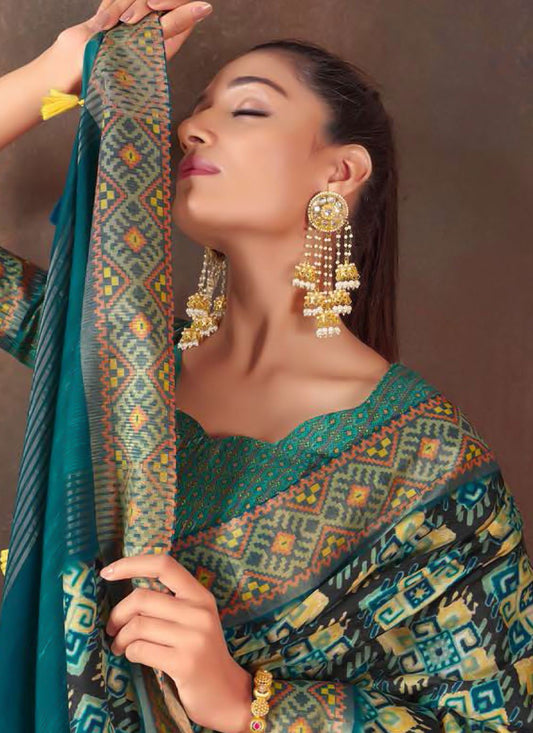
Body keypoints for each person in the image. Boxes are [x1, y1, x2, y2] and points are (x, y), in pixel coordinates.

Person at [0, 2, 531, 732]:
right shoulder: (113, 359)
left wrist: (245, 699)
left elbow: (489, 720)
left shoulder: (426, 457)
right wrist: (61, 69)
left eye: (247, 109)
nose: (190, 128)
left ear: (339, 171)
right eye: (195, 109)